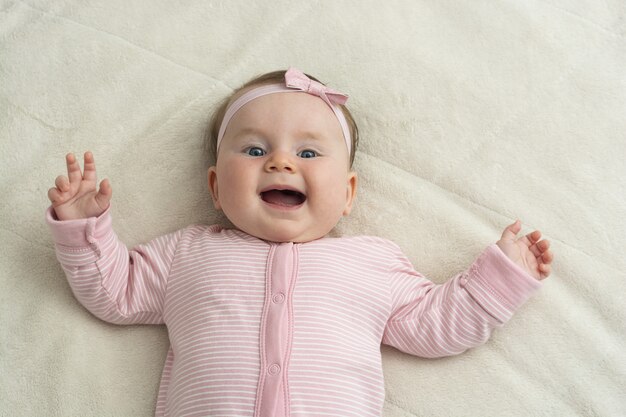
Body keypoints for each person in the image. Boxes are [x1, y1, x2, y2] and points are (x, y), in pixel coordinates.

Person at [46, 67, 554, 417]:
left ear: (349, 193)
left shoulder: (370, 262)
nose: (281, 162)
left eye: (309, 152)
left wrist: (502, 276)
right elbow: (116, 292)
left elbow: (434, 326)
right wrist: (83, 228)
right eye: (253, 148)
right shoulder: (186, 254)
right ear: (216, 187)